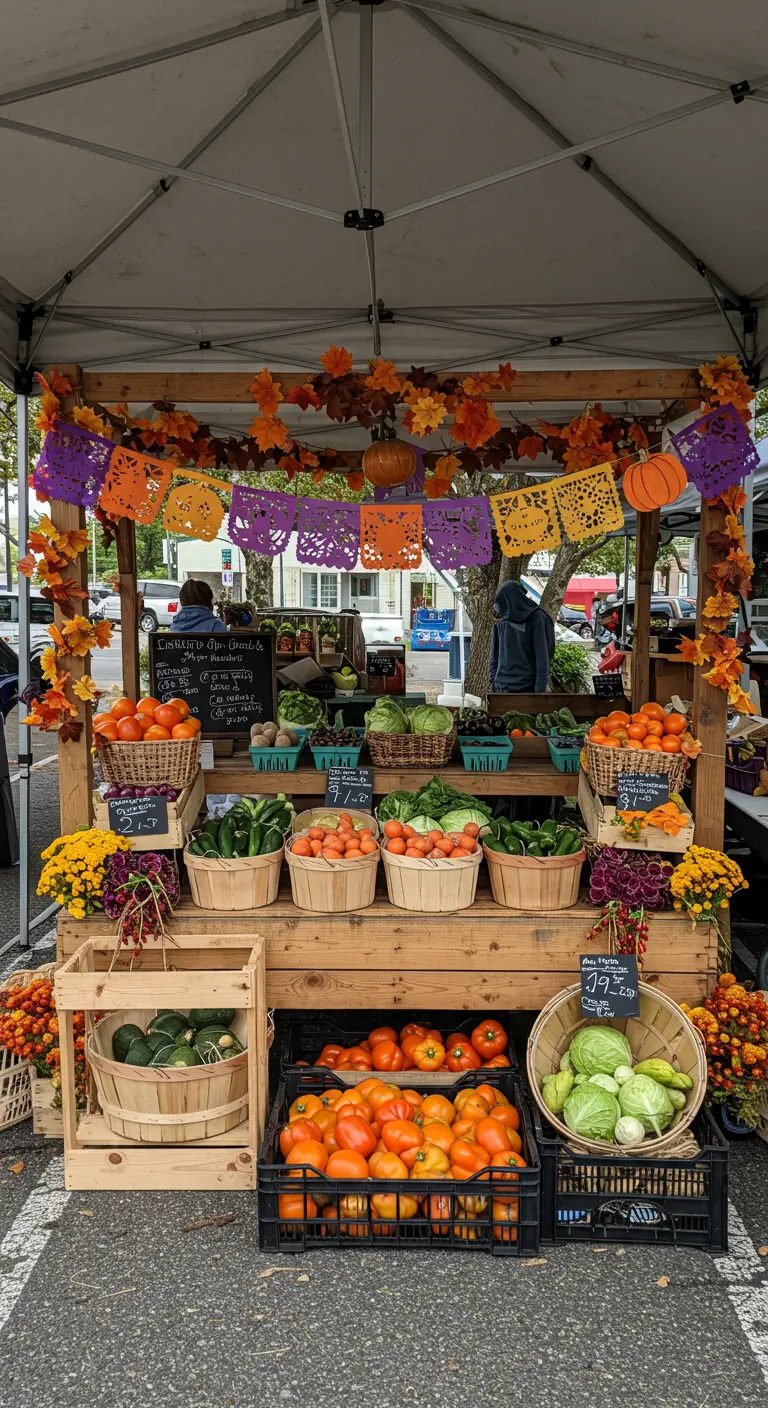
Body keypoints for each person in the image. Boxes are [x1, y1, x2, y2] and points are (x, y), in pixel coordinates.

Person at [489, 580, 554, 693]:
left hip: (524, 689)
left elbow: (542, 658)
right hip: (504, 688)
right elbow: (494, 658)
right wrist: (494, 683)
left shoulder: (536, 618)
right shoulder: (502, 623)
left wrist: (539, 692)